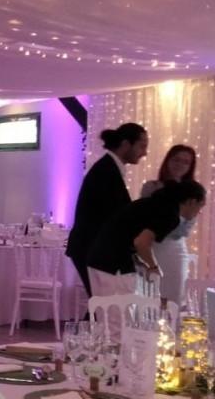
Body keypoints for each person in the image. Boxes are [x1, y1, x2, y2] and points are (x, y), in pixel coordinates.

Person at [66, 122, 149, 297]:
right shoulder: (106, 171)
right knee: (104, 305)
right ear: (126, 144)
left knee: (101, 306)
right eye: (142, 146)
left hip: (91, 247)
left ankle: (89, 324)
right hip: (92, 248)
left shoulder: (109, 168)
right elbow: (112, 216)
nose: (144, 153)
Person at [86, 180, 207, 299]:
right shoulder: (170, 215)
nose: (199, 212)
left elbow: (128, 232)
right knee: (120, 315)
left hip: (97, 257)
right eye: (200, 206)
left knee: (104, 312)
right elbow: (141, 242)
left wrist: (142, 263)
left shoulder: (157, 203)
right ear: (192, 201)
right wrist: (153, 267)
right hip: (114, 263)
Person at [140, 145, 198, 307]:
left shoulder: (192, 191)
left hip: (174, 249)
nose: (180, 165)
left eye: (186, 162)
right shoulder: (151, 187)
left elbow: (184, 230)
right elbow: (143, 218)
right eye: (176, 159)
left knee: (173, 298)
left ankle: (171, 329)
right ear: (168, 161)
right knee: (149, 298)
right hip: (150, 246)